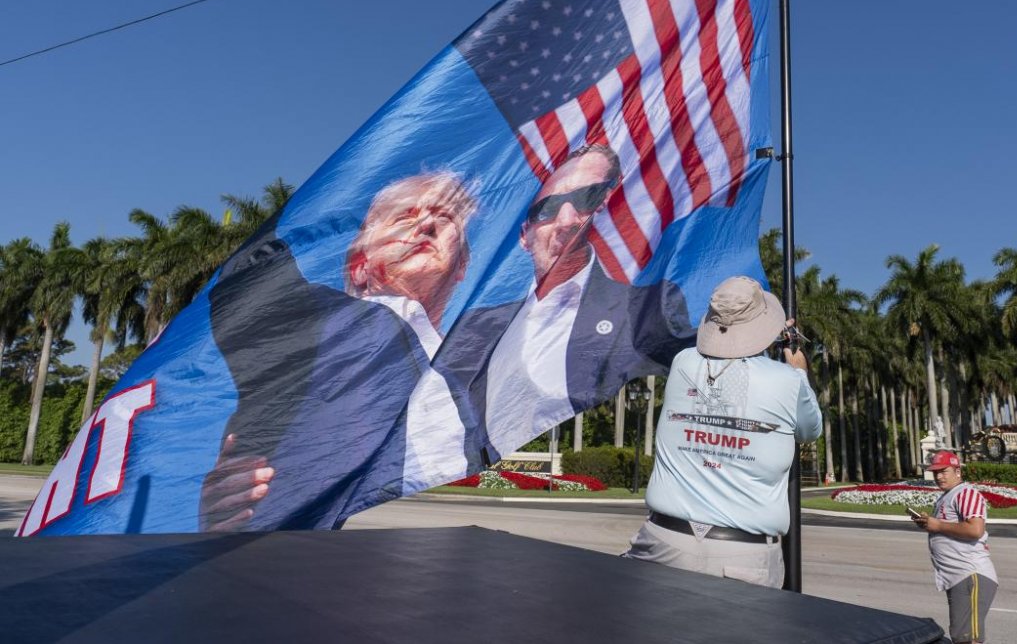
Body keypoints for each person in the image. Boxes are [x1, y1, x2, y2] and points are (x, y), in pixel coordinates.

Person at [199, 171, 478, 531]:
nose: (426, 223)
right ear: (359, 267)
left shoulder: (470, 359)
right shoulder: (320, 321)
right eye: (404, 217)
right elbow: (249, 285)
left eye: (445, 217)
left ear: (462, 266)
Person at [439, 143, 694, 463]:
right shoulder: (477, 328)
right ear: (524, 235)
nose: (567, 220)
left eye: (586, 199)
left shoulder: (647, 309)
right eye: (548, 209)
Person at [622, 276, 821, 588]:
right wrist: (798, 369)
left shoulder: (683, 364)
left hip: (663, 541)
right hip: (743, 555)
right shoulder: (788, 381)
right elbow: (810, 430)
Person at [911, 450, 999, 644]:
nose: (939, 476)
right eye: (936, 472)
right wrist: (929, 524)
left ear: (957, 471)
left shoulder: (966, 493)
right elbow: (948, 527)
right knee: (961, 637)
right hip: (957, 577)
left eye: (944, 471)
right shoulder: (948, 495)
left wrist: (938, 525)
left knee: (968, 639)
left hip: (970, 574)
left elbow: (975, 529)